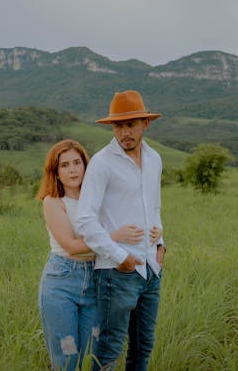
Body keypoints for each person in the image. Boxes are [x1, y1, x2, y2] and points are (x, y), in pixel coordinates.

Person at [37, 139, 162, 371]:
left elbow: (137, 211)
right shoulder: (54, 202)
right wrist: (113, 236)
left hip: (96, 280)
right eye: (64, 165)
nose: (73, 169)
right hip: (63, 280)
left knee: (92, 354)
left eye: (77, 162)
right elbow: (72, 246)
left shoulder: (98, 198)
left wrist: (157, 234)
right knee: (67, 356)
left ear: (87, 165)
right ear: (55, 171)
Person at [74, 90, 166, 371]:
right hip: (117, 273)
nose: (124, 132)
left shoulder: (154, 159)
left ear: (144, 124)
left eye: (131, 125)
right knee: (109, 351)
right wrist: (119, 257)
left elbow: (154, 209)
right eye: (118, 126)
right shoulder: (102, 163)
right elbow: (85, 220)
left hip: (150, 270)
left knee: (143, 349)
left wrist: (161, 245)